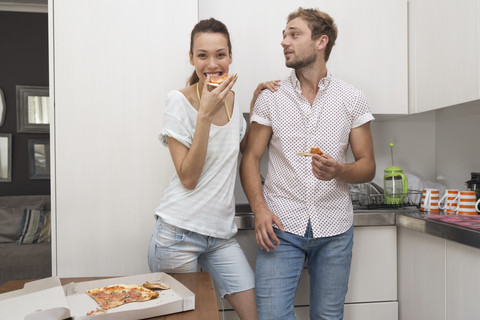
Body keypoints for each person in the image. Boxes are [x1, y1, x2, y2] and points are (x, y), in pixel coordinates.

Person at [240, 7, 376, 320]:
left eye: (294, 34)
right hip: (281, 228)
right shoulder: (271, 96)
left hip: (335, 229)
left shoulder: (351, 98)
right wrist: (260, 210)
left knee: (329, 317)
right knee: (273, 316)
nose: (284, 41)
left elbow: (367, 164)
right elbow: (251, 157)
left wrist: (339, 171)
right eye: (284, 35)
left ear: (320, 41)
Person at [147, 18, 260, 320]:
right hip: (178, 236)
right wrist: (204, 116)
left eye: (220, 54)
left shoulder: (233, 101)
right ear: (191, 58)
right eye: (202, 55)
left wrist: (258, 103)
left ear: (230, 56)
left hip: (221, 236)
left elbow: (239, 154)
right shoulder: (178, 101)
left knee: (254, 314)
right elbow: (188, 176)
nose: (212, 63)